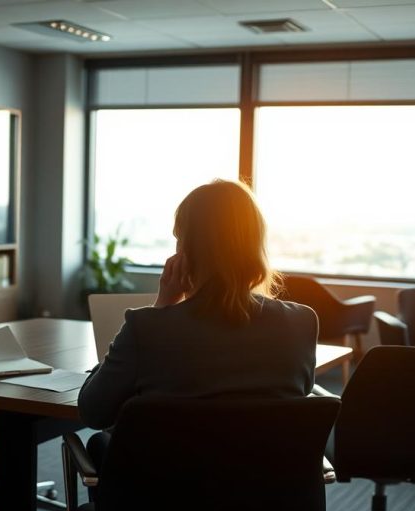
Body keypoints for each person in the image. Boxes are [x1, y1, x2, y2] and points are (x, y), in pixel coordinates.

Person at [78, 179, 323, 460]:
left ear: (187, 250)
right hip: (268, 497)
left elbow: (93, 411)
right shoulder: (302, 323)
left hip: (168, 498)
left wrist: (161, 307)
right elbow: (292, 404)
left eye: (178, 238)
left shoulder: (147, 328)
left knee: (101, 444)